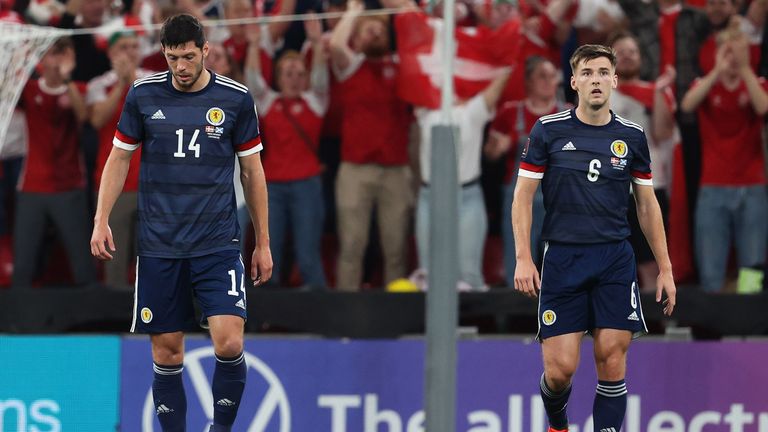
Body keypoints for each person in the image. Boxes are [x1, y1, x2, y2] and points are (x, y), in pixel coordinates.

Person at [90, 14, 272, 432]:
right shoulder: (142, 94)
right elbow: (119, 158)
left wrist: (261, 242)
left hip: (217, 242)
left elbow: (253, 173)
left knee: (230, 341)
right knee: (167, 353)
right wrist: (101, 219)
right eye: (173, 58)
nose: (181, 67)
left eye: (189, 57)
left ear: (205, 51)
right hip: (160, 246)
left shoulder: (236, 99)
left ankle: (221, 429)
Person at [512, 44, 676, 432]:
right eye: (587, 73)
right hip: (563, 259)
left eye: (603, 72)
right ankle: (558, 425)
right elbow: (522, 197)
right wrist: (523, 256)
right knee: (560, 371)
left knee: (612, 357)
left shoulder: (632, 137)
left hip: (615, 259)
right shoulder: (548, 130)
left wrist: (666, 268)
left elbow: (647, 206)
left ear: (615, 81)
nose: (596, 80)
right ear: (574, 83)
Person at [329, 1, 413, 290]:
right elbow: (337, 47)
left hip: (396, 170)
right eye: (369, 30)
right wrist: (353, 12)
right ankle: (346, 314)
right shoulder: (351, 66)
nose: (375, 34)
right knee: (352, 245)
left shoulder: (401, 65)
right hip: (355, 169)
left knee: (396, 248)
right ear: (358, 35)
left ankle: (395, 313)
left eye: (380, 30)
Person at [681, 28, 768, 293]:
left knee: (751, 268)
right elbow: (687, 105)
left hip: (752, 186)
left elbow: (763, 107)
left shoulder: (758, 83)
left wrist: (744, 70)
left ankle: (747, 325)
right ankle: (713, 330)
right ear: (717, 54)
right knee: (711, 269)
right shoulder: (705, 85)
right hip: (713, 186)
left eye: (738, 52)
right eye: (727, 52)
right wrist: (717, 71)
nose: (733, 58)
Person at [245, 14, 328, 288]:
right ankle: (267, 316)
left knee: (307, 252)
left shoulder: (315, 101)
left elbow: (320, 80)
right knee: (270, 252)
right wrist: (254, 47)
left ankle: (321, 314)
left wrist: (316, 43)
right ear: (278, 78)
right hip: (273, 188)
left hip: (306, 184)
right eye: (288, 74)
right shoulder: (270, 103)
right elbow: (254, 84)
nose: (294, 79)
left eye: (299, 74)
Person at [13, 38, 96, 288]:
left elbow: (83, 116)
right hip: (32, 187)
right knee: (23, 262)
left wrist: (67, 78)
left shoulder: (79, 88)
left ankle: (89, 319)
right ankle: (17, 321)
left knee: (82, 261)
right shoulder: (29, 89)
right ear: (40, 60)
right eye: (52, 53)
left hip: (70, 186)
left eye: (63, 53)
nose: (58, 60)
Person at [485, 56, 570, 287]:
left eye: (552, 76)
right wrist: (499, 146)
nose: (548, 81)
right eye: (541, 76)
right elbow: (490, 154)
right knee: (518, 257)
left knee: (563, 258)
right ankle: (514, 314)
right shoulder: (510, 113)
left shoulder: (571, 114)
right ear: (529, 82)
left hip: (560, 200)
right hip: (520, 198)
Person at [610, 32, 678, 293]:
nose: (627, 56)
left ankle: (655, 326)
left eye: (632, 52)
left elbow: (663, 132)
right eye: (621, 51)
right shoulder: (594, 92)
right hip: (608, 190)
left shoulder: (654, 91)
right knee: (612, 265)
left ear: (641, 59)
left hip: (648, 187)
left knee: (652, 265)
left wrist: (661, 92)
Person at [87, 30, 154, 290]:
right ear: (112, 53)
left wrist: (133, 82)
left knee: (152, 253)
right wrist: (121, 85)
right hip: (114, 184)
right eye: (124, 47)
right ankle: (115, 310)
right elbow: (97, 119)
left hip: (150, 182)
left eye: (134, 46)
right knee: (113, 253)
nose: (130, 52)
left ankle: (151, 308)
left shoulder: (154, 80)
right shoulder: (98, 84)